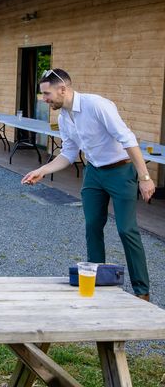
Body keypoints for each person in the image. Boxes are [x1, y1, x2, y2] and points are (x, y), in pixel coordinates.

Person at [21, 69, 154, 301]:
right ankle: (99, 282)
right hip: (93, 173)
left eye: (47, 93)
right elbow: (69, 153)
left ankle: (142, 291)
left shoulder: (97, 105)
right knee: (93, 225)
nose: (44, 99)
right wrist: (42, 170)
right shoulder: (64, 117)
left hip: (121, 171)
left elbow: (128, 138)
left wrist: (144, 177)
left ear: (63, 89)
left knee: (126, 230)